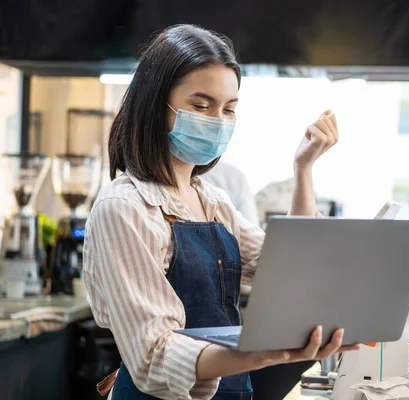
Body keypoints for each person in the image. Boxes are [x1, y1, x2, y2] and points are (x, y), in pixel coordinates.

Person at [83, 24, 358, 400]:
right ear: (154, 103)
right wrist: (257, 353)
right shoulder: (124, 209)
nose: (217, 120)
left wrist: (303, 169)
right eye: (200, 105)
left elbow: (290, 268)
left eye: (229, 109)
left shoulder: (213, 202)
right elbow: (153, 354)